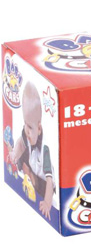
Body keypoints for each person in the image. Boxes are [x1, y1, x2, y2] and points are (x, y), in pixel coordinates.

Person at [7, 82, 55, 219]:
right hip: (33, 167)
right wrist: (15, 154)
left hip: (45, 183)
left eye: (30, 127)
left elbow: (50, 181)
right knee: (21, 157)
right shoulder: (27, 133)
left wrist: (47, 203)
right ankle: (27, 173)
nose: (26, 130)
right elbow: (21, 142)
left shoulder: (45, 150)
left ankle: (32, 178)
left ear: (39, 128)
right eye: (25, 123)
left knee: (41, 185)